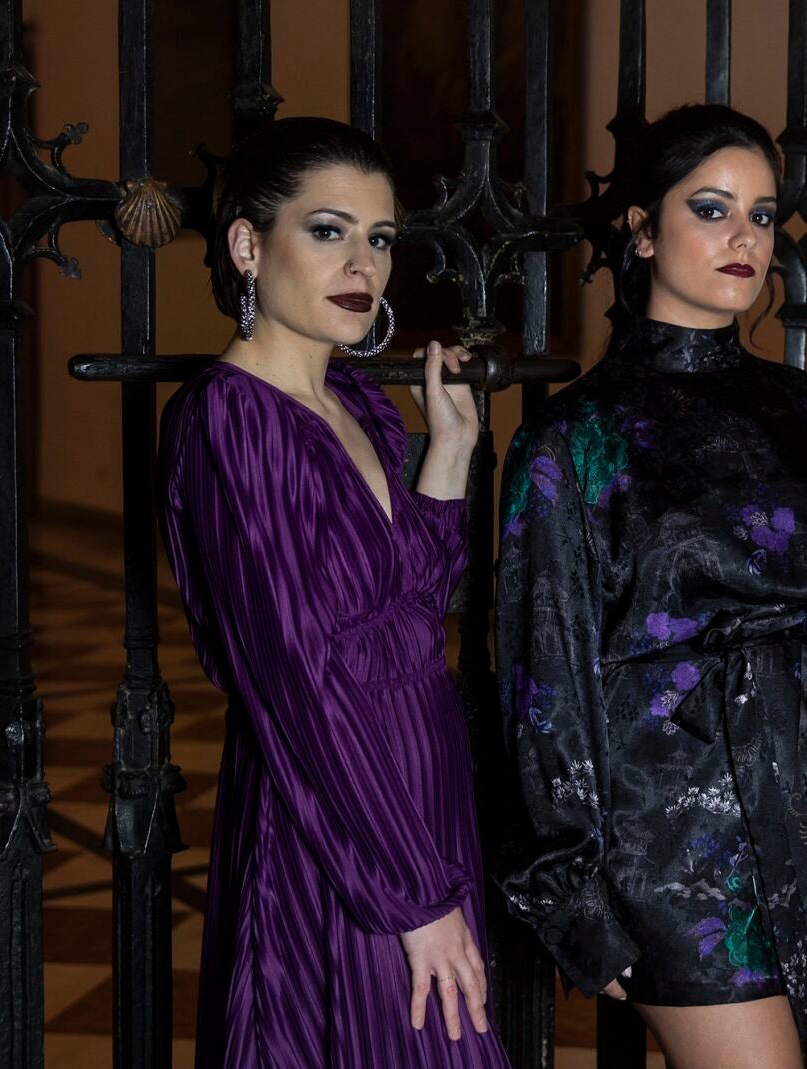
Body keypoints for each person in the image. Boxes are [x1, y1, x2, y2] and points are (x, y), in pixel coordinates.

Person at [494, 103, 807, 1066]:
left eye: (762, 216)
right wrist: (569, 884)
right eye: (711, 209)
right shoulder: (573, 436)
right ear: (643, 230)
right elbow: (542, 674)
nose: (745, 239)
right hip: (664, 826)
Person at [159, 116, 511, 1068]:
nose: (364, 263)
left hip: (422, 794)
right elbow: (299, 683)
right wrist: (412, 896)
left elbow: (412, 613)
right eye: (328, 231)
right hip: (338, 821)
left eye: (380, 238)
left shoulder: (357, 401)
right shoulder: (229, 422)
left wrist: (449, 454)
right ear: (247, 245)